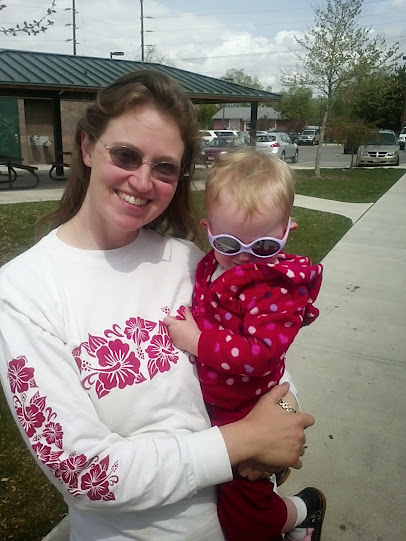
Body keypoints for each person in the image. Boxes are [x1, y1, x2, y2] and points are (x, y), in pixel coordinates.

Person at [0, 70, 315, 541]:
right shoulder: (24, 291)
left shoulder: (193, 263)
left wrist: (281, 421)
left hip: (241, 517)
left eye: (165, 167)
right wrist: (242, 442)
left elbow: (267, 360)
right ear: (86, 147)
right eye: (126, 155)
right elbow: (84, 474)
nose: (143, 180)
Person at [164, 148, 326, 541]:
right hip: (217, 409)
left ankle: (304, 512)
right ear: (208, 229)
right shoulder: (210, 263)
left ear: (287, 232)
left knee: (244, 520)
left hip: (245, 410)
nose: (246, 259)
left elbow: (261, 354)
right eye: (229, 243)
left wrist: (197, 341)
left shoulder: (277, 288)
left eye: (264, 247)